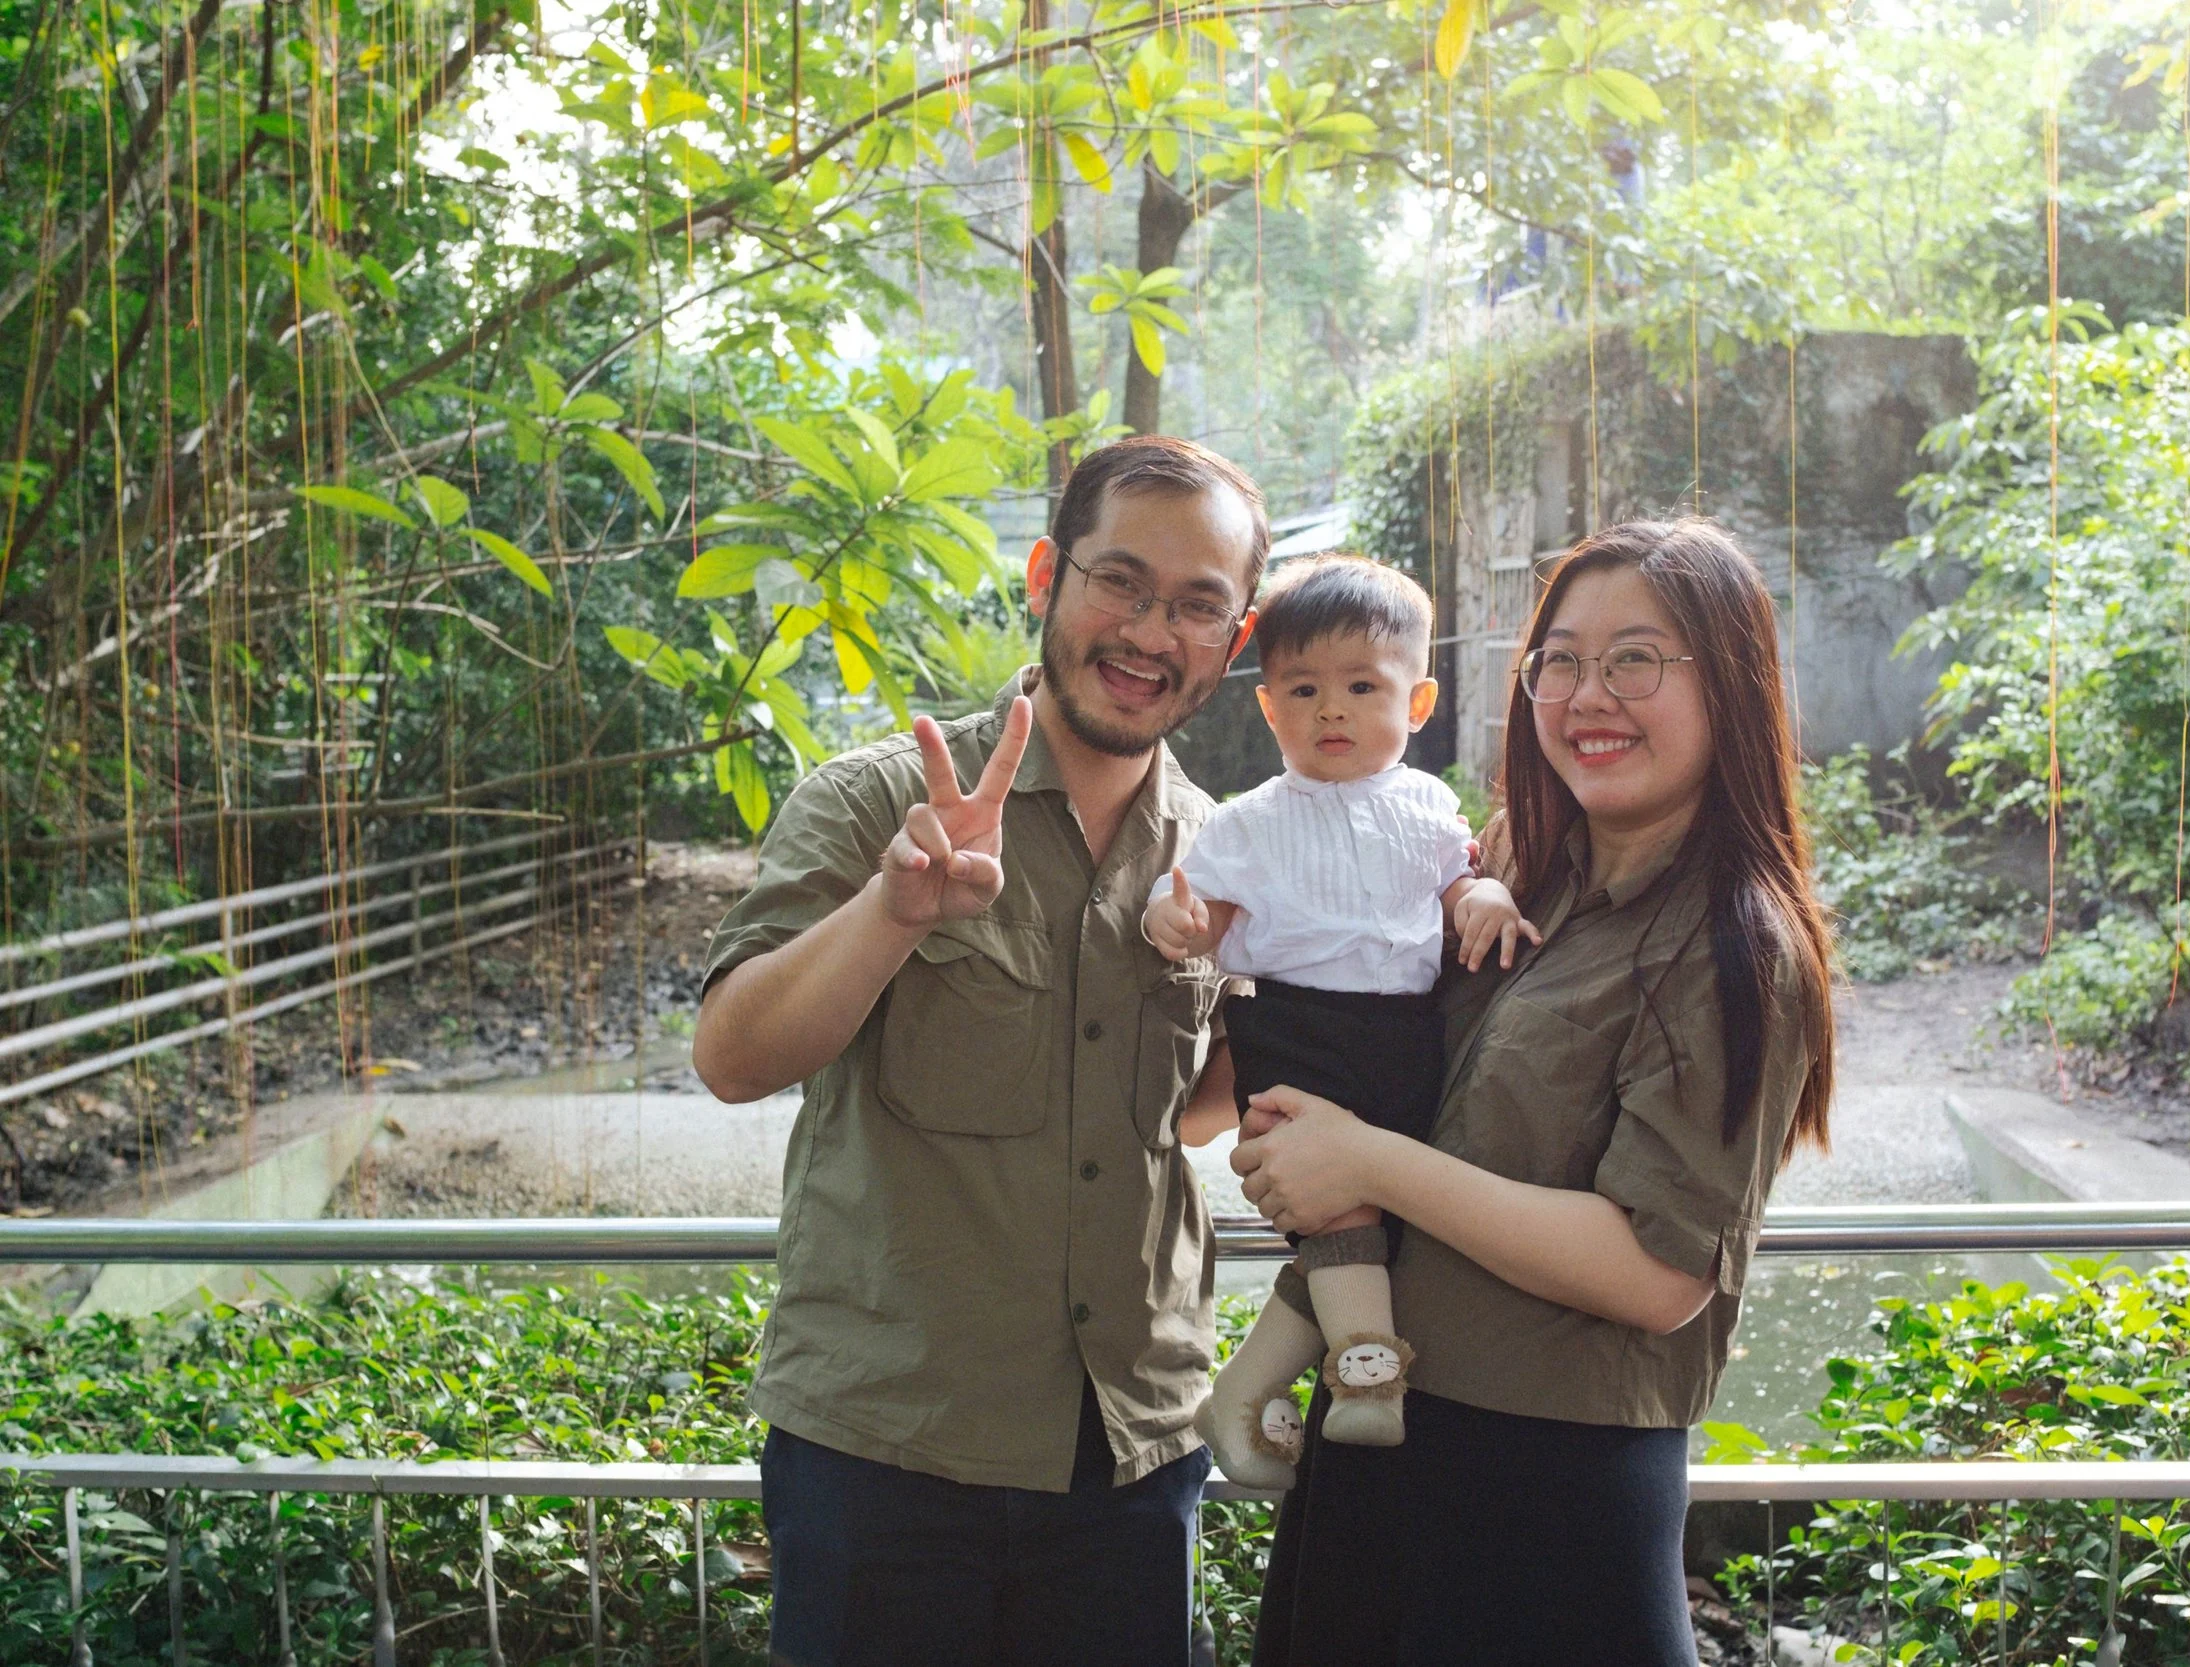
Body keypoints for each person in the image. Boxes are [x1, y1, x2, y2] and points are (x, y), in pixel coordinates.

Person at [691, 434, 1269, 1667]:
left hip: (1133, 1447)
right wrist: (892, 913)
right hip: (889, 1451)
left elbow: (1197, 1114)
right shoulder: (876, 800)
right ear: (1044, 574)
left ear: (1236, 635)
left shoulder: (1231, 858)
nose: (1149, 630)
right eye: (1119, 579)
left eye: (1197, 604)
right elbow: (733, 1055)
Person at [1229, 518, 1837, 1667]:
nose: (1587, 693)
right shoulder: (1509, 874)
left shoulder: (1730, 943)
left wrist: (1362, 1160)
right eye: (1559, 659)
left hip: (1548, 1490)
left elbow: (1656, 1274)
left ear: (1734, 685)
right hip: (1383, 1430)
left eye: (1635, 659)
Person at [1137, 554, 1536, 1488]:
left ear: (1419, 700)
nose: (1332, 710)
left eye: (1363, 686)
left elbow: (1455, 884)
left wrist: (1483, 898)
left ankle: (1241, 1394)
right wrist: (1179, 920)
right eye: (1304, 689)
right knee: (1344, 1204)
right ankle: (1366, 1369)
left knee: (1374, 1218)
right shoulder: (1249, 821)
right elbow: (1200, 914)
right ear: (1268, 706)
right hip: (1297, 1032)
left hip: (1407, 1034)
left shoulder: (1430, 803)